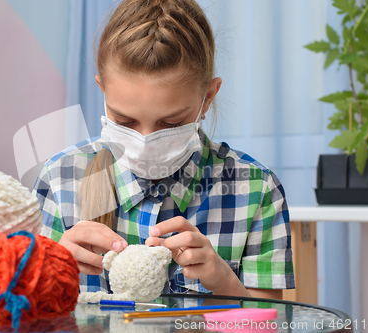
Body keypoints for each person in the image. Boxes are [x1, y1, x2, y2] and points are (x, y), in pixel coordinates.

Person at [33, 0, 294, 299]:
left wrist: (224, 281)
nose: (144, 140)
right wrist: (48, 271)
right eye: (124, 121)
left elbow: (267, 324)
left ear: (207, 98)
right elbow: (20, 316)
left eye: (170, 123)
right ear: (102, 90)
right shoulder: (60, 180)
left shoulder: (255, 189)